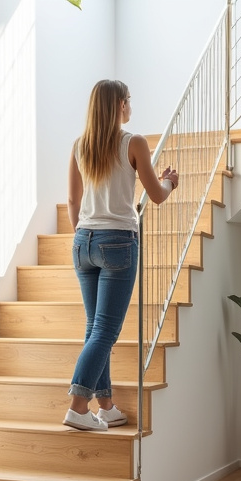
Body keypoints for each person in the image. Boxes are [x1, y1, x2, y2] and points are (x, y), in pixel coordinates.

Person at [62, 79, 178, 431]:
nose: (130, 105)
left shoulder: (80, 145)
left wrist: (84, 235)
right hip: (118, 242)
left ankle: (106, 404)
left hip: (83, 241)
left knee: (94, 327)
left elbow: (72, 201)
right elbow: (156, 195)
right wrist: (170, 181)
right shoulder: (134, 142)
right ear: (119, 106)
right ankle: (78, 406)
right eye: (128, 100)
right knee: (106, 331)